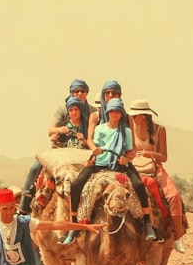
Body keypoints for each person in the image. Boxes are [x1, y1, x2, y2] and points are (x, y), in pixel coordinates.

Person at [60, 97, 159, 245]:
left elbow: (131, 151)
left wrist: (126, 159)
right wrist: (94, 150)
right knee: (76, 185)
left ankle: (147, 224)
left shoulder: (125, 131)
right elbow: (91, 141)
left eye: (117, 111)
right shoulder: (100, 128)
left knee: (139, 186)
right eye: (111, 111)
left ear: (121, 114)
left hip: (120, 165)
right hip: (99, 164)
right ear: (107, 112)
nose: (114, 114)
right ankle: (74, 225)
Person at [18, 78, 91, 216]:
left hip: (83, 151)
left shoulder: (92, 111)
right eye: (76, 91)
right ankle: (24, 206)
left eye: (82, 91)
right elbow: (50, 131)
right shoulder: (63, 109)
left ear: (87, 93)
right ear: (71, 93)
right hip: (61, 150)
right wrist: (60, 130)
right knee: (36, 168)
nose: (79, 93)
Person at [127, 99, 187, 253]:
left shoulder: (159, 130)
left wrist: (150, 154)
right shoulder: (130, 128)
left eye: (136, 116)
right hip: (134, 166)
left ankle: (178, 237)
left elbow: (164, 156)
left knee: (173, 195)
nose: (133, 118)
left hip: (154, 166)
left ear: (144, 116)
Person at [87, 79, 124, 144]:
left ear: (119, 95)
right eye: (107, 93)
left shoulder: (126, 117)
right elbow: (90, 139)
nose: (110, 95)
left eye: (114, 93)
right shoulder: (96, 116)